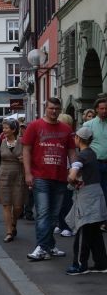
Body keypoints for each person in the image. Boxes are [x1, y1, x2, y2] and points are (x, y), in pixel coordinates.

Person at [23, 98, 77, 261]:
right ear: (45, 108)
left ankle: (49, 246)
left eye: (57, 109)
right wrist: (28, 173)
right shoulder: (34, 126)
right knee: (44, 213)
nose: (54, 111)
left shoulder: (66, 129)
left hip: (60, 177)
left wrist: (74, 171)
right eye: (51, 108)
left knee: (53, 215)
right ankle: (41, 247)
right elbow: (26, 150)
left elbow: (72, 152)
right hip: (41, 176)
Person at [64, 127, 107, 275]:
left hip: (87, 197)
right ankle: (101, 263)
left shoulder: (81, 156)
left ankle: (79, 265)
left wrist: (72, 180)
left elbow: (73, 173)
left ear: (78, 138)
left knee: (83, 230)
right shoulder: (93, 154)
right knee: (94, 231)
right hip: (97, 194)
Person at [0, 119, 24, 242]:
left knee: (18, 205)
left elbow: (30, 158)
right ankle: (9, 231)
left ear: (13, 130)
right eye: (3, 128)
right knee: (6, 204)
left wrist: (24, 160)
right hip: (3, 173)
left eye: (6, 128)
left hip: (19, 174)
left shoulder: (22, 142)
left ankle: (14, 222)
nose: (3, 130)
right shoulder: (1, 142)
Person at [83, 98, 107, 233]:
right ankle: (95, 221)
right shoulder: (89, 125)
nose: (104, 111)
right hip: (95, 164)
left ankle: (104, 221)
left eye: (106, 108)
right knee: (95, 193)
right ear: (96, 109)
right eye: (101, 108)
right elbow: (81, 145)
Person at [55, 113, 76, 238]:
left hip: (68, 172)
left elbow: (73, 156)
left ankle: (67, 226)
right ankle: (60, 223)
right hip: (58, 172)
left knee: (67, 201)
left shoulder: (72, 138)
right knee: (58, 201)